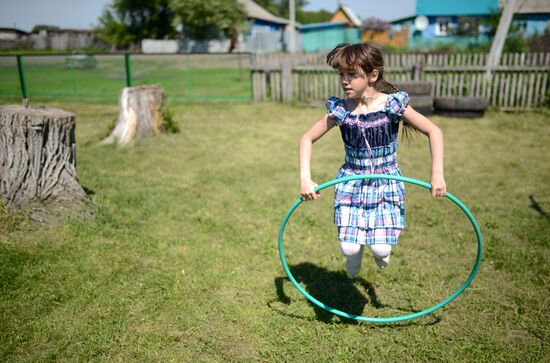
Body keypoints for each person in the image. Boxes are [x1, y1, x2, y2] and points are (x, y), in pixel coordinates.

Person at [299, 43, 446, 277]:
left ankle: (380, 254)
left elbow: (434, 131)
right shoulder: (341, 110)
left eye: (352, 74)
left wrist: (437, 173)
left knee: (380, 248)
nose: (345, 80)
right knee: (348, 247)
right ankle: (353, 258)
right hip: (351, 181)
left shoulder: (392, 105)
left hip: (386, 182)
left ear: (372, 75)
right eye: (341, 74)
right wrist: (306, 179)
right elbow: (307, 138)